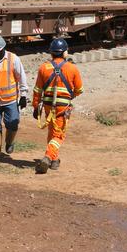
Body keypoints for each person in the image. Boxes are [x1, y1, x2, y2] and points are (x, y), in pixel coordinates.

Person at [32, 38, 84, 174]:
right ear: (65, 52)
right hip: (62, 106)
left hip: (48, 106)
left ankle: (54, 161)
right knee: (59, 135)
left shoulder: (44, 67)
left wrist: (35, 106)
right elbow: (79, 90)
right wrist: (70, 95)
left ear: (51, 53)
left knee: (52, 131)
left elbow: (37, 90)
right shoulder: (72, 68)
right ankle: (48, 157)